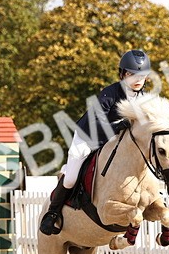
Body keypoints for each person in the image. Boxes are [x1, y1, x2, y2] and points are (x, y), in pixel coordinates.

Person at [39, 49, 153, 235]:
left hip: (112, 143)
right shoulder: (110, 93)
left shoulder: (144, 98)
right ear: (123, 74)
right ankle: (52, 213)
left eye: (141, 75)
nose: (137, 79)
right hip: (88, 137)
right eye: (131, 74)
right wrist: (119, 125)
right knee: (71, 177)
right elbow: (97, 122)